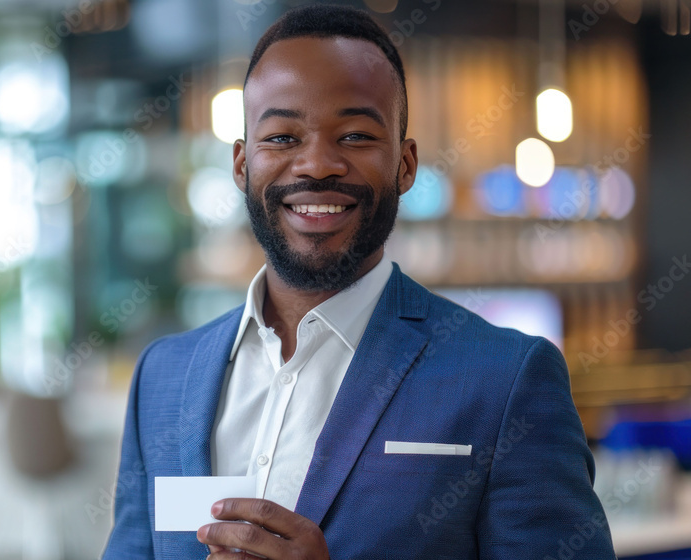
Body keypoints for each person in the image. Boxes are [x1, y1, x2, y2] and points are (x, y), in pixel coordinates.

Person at [102, 4, 615, 559]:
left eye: (354, 136)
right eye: (280, 137)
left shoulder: (506, 381)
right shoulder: (162, 378)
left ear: (405, 164)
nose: (317, 164)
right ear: (241, 163)